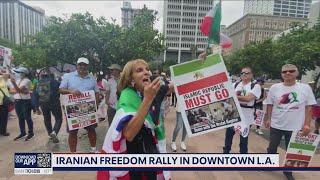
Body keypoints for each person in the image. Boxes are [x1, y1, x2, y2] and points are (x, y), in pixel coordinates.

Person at [97, 59, 163, 180]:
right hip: (135, 155)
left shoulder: (146, 91)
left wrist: (201, 65)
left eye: (147, 69)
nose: (146, 72)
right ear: (131, 78)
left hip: (148, 151)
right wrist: (148, 100)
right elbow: (129, 134)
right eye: (139, 70)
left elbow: (178, 85)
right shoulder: (127, 96)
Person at [264, 64, 316, 180]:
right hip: (276, 124)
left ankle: (288, 171)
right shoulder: (274, 88)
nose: (288, 73)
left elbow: (309, 107)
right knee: (272, 147)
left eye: (291, 71)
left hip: (295, 127)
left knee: (291, 151)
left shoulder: (305, 88)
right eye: (285, 71)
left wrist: (307, 124)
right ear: (281, 74)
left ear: (297, 73)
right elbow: (270, 104)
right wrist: (268, 118)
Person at [59, 57, 100, 153]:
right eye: (80, 64)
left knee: (92, 130)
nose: (82, 66)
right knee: (73, 132)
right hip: (73, 110)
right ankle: (73, 153)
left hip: (88, 110)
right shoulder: (68, 76)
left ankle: (93, 149)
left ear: (87, 66)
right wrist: (71, 91)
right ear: (77, 66)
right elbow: (60, 89)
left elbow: (97, 92)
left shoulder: (92, 78)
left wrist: (96, 106)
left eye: (85, 65)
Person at [223, 67, 261, 154]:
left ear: (251, 75)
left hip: (246, 116)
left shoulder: (255, 86)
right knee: (228, 137)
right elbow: (228, 97)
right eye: (242, 73)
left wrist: (233, 96)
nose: (244, 74)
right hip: (233, 114)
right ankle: (225, 154)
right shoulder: (235, 84)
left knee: (243, 140)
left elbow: (248, 99)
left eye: (247, 73)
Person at [34, 69, 62, 143]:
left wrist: (36, 108)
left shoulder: (38, 83)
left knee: (47, 119)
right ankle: (54, 132)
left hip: (43, 104)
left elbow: (35, 96)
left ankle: (50, 134)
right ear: (50, 75)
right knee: (59, 118)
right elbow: (60, 91)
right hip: (55, 103)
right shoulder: (55, 82)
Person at [9, 67, 35, 141]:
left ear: (24, 73)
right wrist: (19, 90)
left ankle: (31, 133)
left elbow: (17, 89)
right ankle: (23, 133)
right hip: (17, 101)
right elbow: (12, 91)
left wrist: (15, 85)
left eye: (19, 72)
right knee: (20, 118)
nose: (17, 74)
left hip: (25, 101)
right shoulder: (18, 80)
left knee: (27, 117)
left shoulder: (27, 81)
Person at [0, 68, 10, 136]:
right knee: (3, 117)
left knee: (4, 117)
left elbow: (7, 74)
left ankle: (3, 131)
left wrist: (6, 67)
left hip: (3, 101)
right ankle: (3, 131)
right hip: (2, 101)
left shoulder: (2, 78)